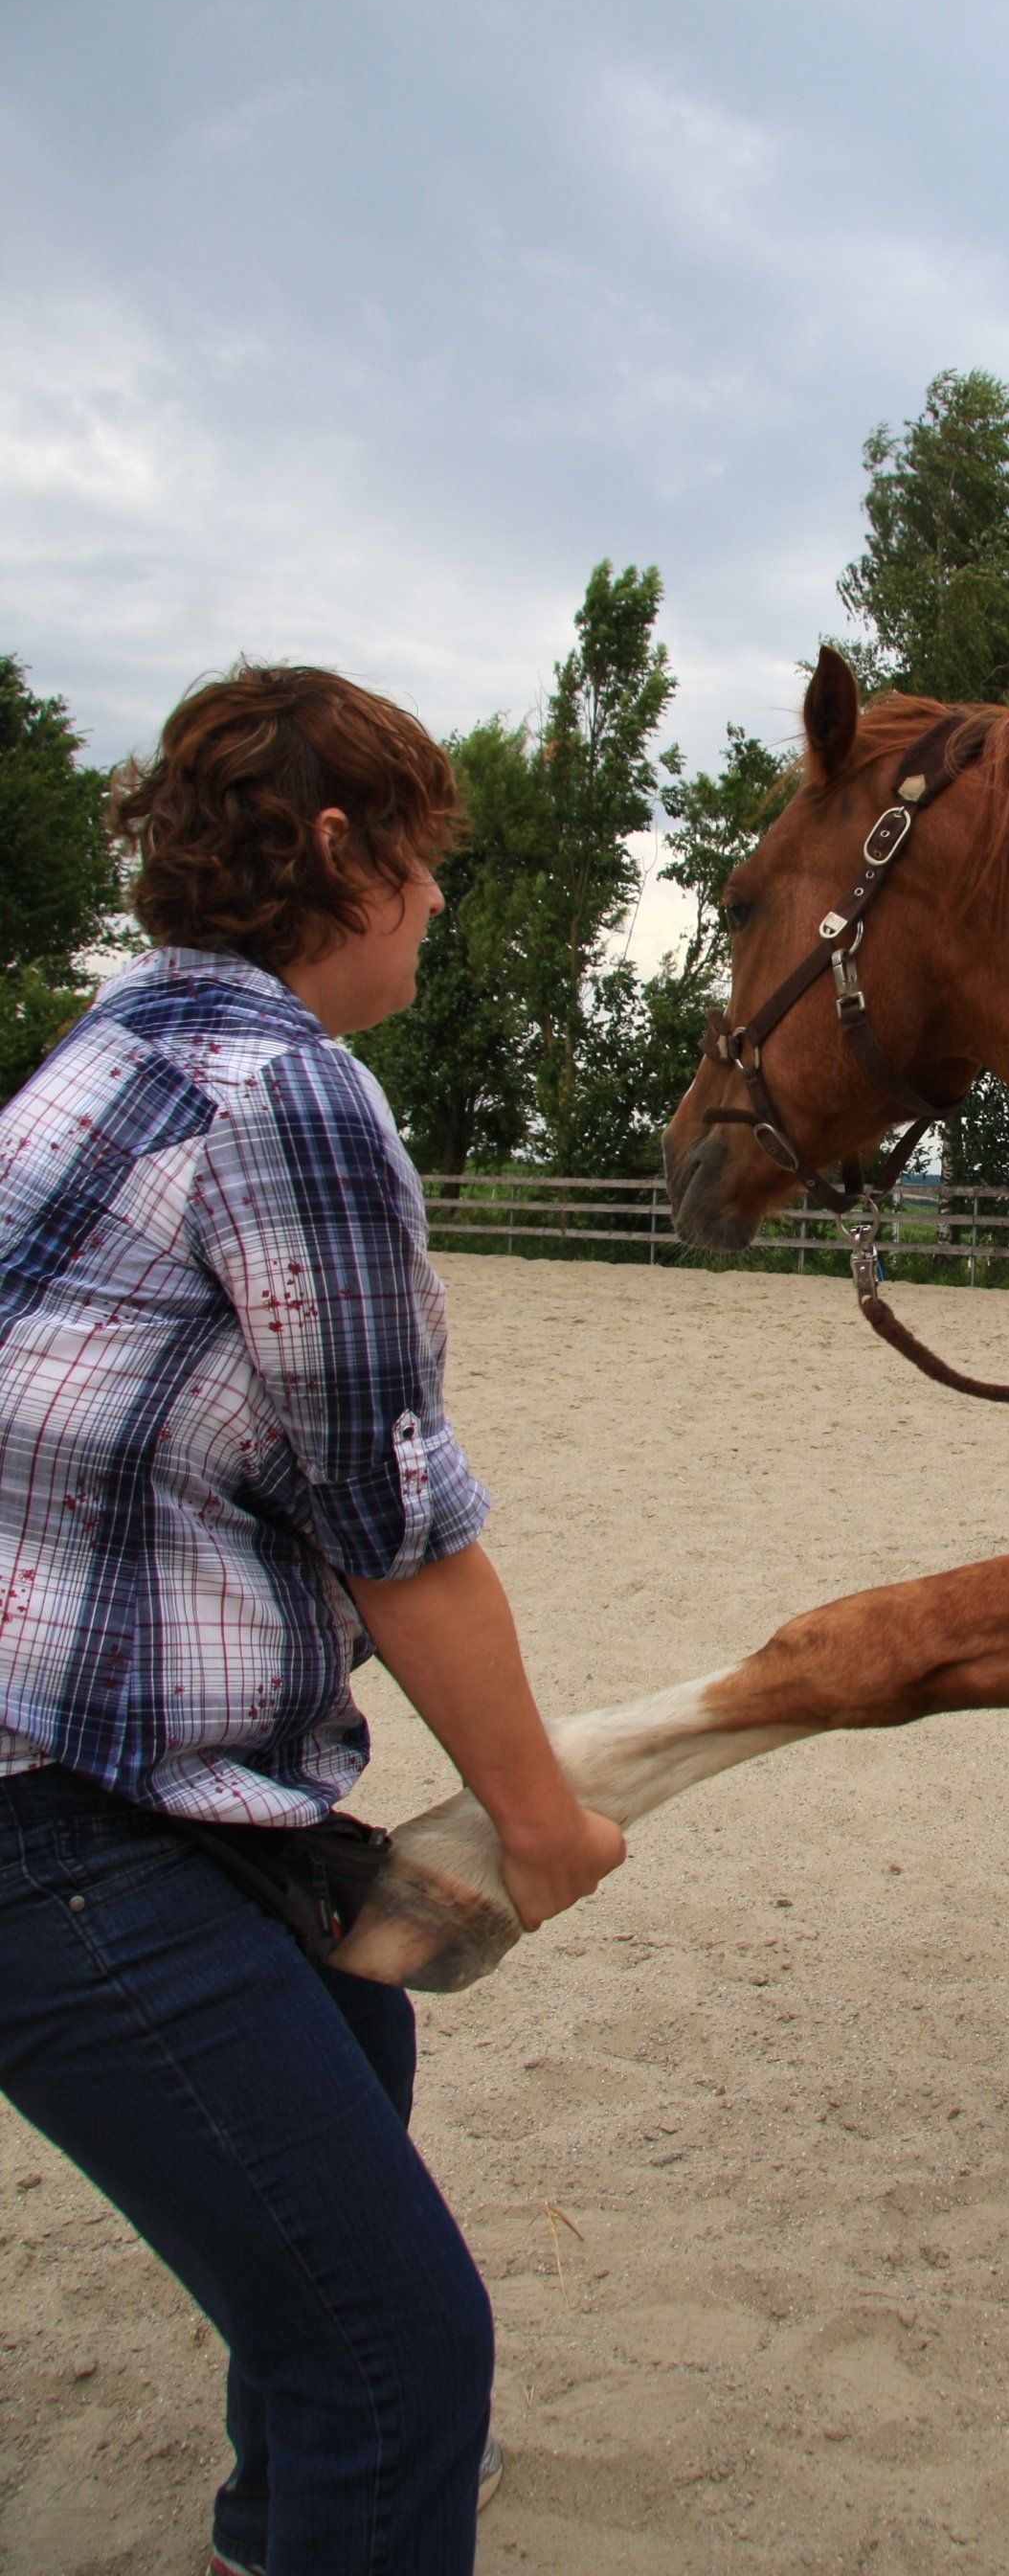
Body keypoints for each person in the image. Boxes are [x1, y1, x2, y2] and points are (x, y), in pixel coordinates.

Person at [0, 662, 627, 2576]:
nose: (442, 899)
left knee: (361, 2085)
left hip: (146, 1780)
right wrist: (541, 1817)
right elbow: (393, 1526)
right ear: (341, 851)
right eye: (426, 857)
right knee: (397, 2349)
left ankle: (274, 2536)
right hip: (56, 1816)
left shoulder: (102, 1055)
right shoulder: (289, 1093)